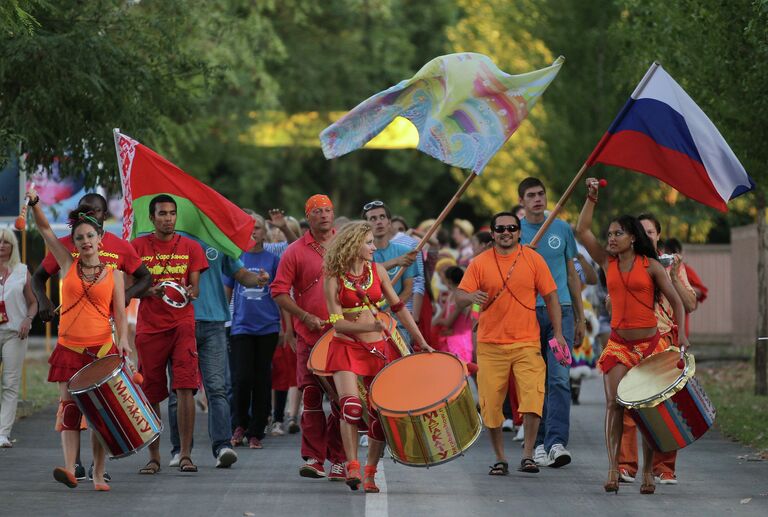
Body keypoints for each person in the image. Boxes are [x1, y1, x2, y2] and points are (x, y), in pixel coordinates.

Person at [575, 177, 690, 495]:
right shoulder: (606, 262)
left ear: (632, 238)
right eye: (609, 233)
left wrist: (680, 339)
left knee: (646, 408)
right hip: (619, 345)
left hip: (650, 344)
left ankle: (649, 474)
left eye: (618, 233)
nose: (611, 238)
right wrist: (591, 199)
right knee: (614, 405)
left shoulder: (651, 265)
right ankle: (613, 468)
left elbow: (678, 302)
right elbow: (581, 231)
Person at [31, 192, 151, 481]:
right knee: (69, 409)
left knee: (100, 414)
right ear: (74, 243)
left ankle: (99, 472)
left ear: (100, 237)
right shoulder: (67, 266)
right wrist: (35, 205)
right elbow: (46, 231)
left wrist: (123, 341)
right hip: (68, 348)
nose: (85, 242)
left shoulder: (115, 275)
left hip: (100, 349)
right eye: (79, 238)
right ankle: (71, 469)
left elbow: (121, 315)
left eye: (90, 236)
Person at [322, 221, 433, 493]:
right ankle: (352, 466)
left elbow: (399, 309)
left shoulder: (378, 271)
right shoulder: (333, 277)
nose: (374, 247)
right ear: (353, 244)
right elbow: (337, 324)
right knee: (350, 407)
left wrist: (421, 341)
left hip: (379, 349)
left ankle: (370, 471)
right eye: (369, 242)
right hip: (345, 347)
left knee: (380, 415)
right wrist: (368, 326)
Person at [456, 211, 566, 476]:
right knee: (491, 406)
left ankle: (527, 455)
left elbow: (551, 298)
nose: (507, 232)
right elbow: (459, 297)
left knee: (532, 399)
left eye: (512, 228)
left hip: (527, 342)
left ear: (519, 232)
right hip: (490, 345)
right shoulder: (479, 262)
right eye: (501, 228)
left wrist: (559, 334)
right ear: (493, 233)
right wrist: (471, 295)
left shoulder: (533, 259)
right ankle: (500, 458)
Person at [616, 214, 698, 486]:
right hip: (631, 342)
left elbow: (690, 304)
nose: (646, 235)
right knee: (628, 405)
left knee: (663, 407)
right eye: (641, 231)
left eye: (650, 231)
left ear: (658, 235)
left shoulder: (671, 264)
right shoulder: (625, 262)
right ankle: (626, 465)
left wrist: (673, 275)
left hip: (664, 342)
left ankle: (665, 468)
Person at [131, 194, 208, 474]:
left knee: (185, 386)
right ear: (152, 218)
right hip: (149, 328)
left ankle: (185, 454)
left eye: (172, 213)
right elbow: (129, 286)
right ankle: (154, 456)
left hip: (182, 325)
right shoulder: (137, 246)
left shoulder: (191, 247)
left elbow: (196, 288)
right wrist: (148, 290)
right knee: (151, 391)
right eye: (162, 213)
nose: (168, 218)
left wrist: (190, 291)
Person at [271, 194, 346, 480]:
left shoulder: (347, 245)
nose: (324, 215)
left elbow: (367, 278)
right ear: (308, 216)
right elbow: (278, 291)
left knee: (342, 399)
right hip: (310, 337)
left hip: (343, 336)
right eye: (317, 211)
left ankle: (339, 459)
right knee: (312, 397)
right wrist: (302, 316)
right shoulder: (294, 250)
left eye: (328, 210)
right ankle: (314, 458)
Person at [518, 177, 585, 468]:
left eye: (541, 194)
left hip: (563, 312)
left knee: (559, 378)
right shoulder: (514, 231)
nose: (537, 199)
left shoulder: (561, 227)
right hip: (527, 313)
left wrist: (581, 318)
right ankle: (539, 443)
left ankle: (556, 442)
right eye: (531, 195)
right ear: (522, 201)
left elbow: (572, 275)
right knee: (535, 381)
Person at [224, 212, 281, 449]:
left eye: (257, 227)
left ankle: (257, 430)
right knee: (241, 378)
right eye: (249, 228)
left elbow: (280, 293)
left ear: (264, 232)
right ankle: (239, 424)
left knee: (262, 378)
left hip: (268, 326)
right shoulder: (235, 258)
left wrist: (286, 327)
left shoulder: (272, 259)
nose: (253, 232)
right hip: (241, 326)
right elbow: (227, 292)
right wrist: (222, 323)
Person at [0, 228, 37, 448]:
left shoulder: (22, 271)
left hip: (15, 332)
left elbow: (33, 301)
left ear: (13, 246)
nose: (2, 246)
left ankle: (3, 433)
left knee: (10, 383)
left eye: (6, 242)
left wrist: (28, 319)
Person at [362, 200, 418, 344]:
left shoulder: (404, 251)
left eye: (382, 217)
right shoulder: (359, 254)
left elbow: (408, 289)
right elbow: (364, 274)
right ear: (365, 225)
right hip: (367, 324)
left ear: (389, 222)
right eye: (372, 219)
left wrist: (389, 312)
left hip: (398, 323)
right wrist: (395, 262)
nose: (379, 222)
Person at [433, 266, 473, 364]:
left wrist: (436, 322)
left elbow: (447, 322)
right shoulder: (457, 295)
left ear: (449, 281)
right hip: (459, 339)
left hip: (458, 343)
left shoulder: (457, 297)